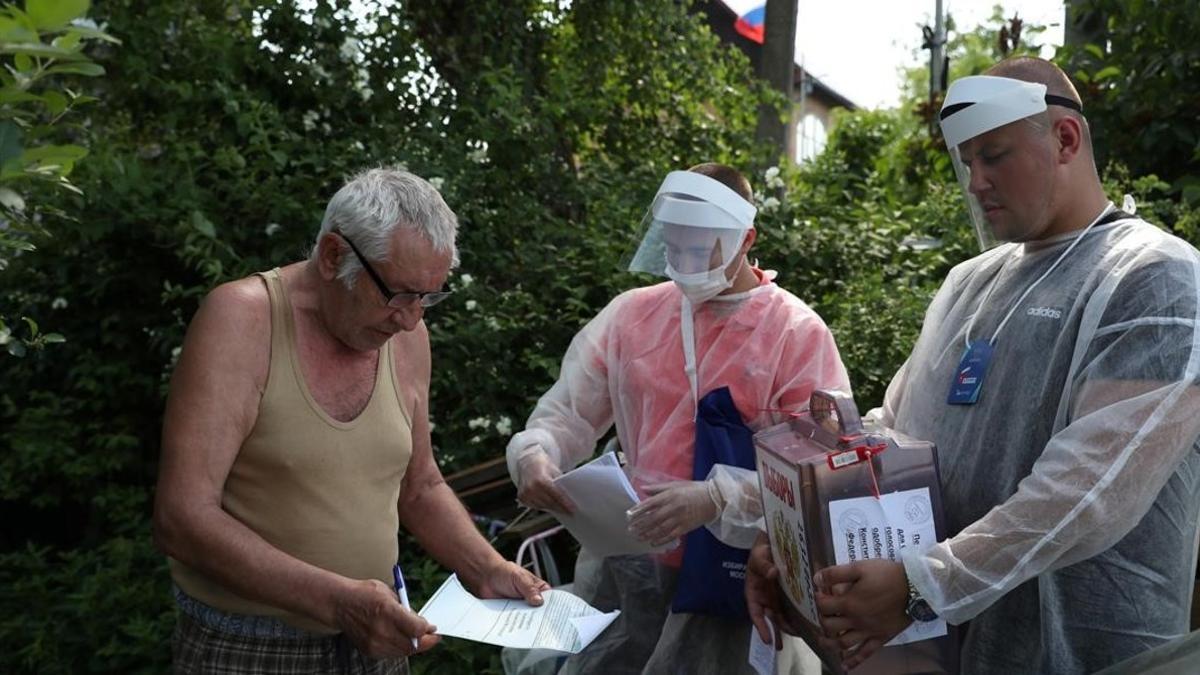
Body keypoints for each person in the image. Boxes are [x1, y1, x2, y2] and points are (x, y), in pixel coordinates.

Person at [746, 57, 1200, 675]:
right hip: (948, 649)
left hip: (1091, 650)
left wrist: (921, 586)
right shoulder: (970, 284)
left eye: (995, 155)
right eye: (967, 162)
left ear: (1065, 138)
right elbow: (888, 435)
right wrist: (794, 533)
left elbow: (1090, 490)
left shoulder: (1154, 279)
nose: (975, 181)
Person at [154, 167, 549, 674]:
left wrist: (488, 568)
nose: (411, 320)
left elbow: (421, 486)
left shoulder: (406, 334)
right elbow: (182, 518)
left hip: (375, 639)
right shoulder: (242, 320)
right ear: (332, 256)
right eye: (400, 294)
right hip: (249, 646)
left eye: (429, 297)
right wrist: (338, 601)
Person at [507, 163, 850, 674]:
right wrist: (537, 453)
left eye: (700, 249)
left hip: (736, 577)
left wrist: (718, 498)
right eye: (673, 247)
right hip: (626, 570)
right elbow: (569, 412)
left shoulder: (794, 333)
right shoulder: (632, 316)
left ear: (746, 238)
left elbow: (822, 470)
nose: (684, 264)